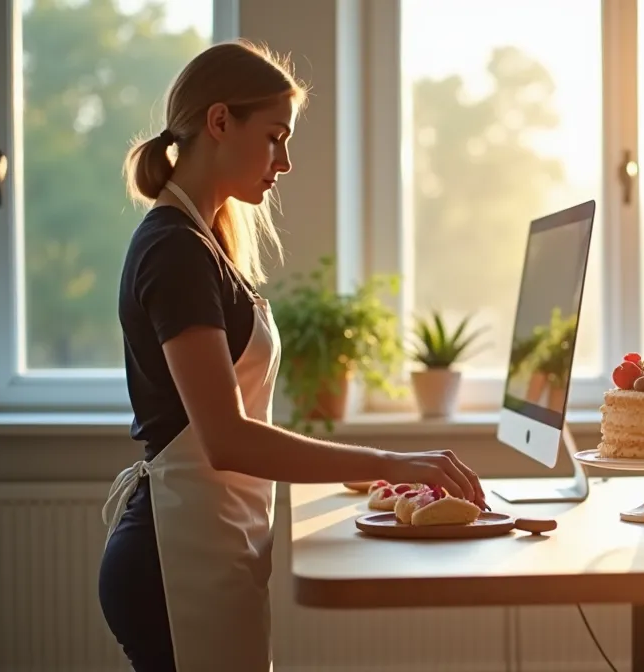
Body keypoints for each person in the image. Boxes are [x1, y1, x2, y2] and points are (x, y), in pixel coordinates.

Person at [97, 40, 487, 672]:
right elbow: (226, 439)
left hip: (206, 544)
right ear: (220, 122)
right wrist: (391, 456)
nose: (286, 161)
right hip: (172, 563)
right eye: (276, 136)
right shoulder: (174, 253)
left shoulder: (203, 244)